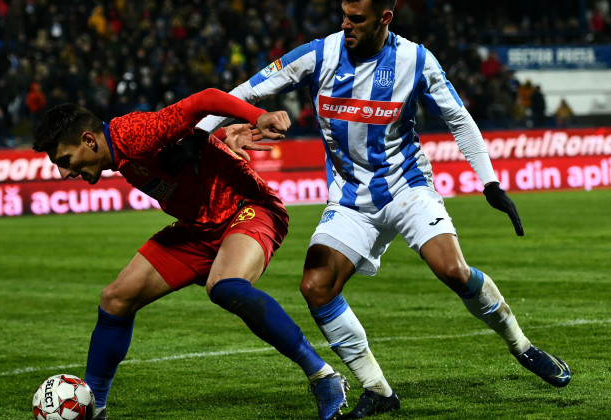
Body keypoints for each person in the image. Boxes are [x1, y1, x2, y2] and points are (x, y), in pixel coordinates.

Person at [196, 0, 572, 417]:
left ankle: (521, 345)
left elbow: (459, 119)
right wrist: (193, 133)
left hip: (406, 188)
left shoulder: (415, 58)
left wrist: (490, 182)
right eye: (344, 15)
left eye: (356, 19)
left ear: (384, 18)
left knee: (452, 270)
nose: (346, 25)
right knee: (316, 287)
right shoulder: (319, 54)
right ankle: (377, 390)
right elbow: (245, 92)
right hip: (350, 199)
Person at [32, 88, 349, 420]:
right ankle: (94, 406)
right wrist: (219, 135)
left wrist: (256, 116)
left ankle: (324, 378)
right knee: (116, 298)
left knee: (225, 286)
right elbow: (183, 139)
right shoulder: (122, 150)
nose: (63, 174)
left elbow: (204, 99)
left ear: (89, 140)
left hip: (248, 209)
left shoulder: (133, 134)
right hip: (198, 230)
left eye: (65, 161)